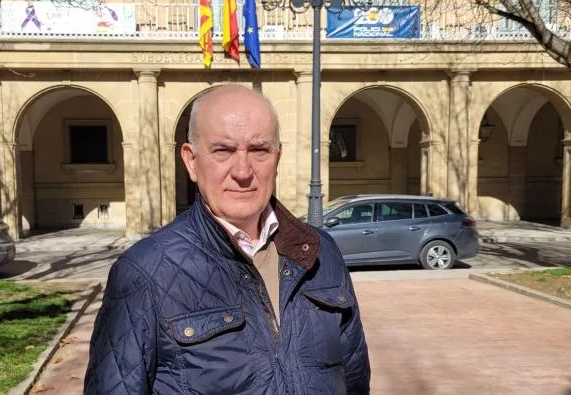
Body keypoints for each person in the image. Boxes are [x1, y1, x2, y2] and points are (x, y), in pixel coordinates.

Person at [84, 85, 370, 394]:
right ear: (191, 161)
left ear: (277, 156)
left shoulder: (320, 253)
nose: (243, 171)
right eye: (223, 150)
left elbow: (354, 378)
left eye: (259, 150)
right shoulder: (144, 272)